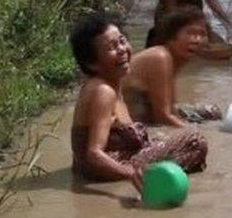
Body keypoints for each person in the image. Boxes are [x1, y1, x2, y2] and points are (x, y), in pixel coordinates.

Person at [69, 13, 207, 192]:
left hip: (105, 166)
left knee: (162, 138)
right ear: (93, 64)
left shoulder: (112, 82)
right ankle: (163, 181)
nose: (122, 49)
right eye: (111, 47)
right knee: (195, 140)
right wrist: (130, 174)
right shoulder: (103, 91)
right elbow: (94, 154)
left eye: (121, 40)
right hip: (105, 171)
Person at [123, 6, 222, 127]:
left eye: (202, 34)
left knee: (213, 112)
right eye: (190, 33)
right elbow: (163, 117)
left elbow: (170, 110)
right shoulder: (160, 57)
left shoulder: (174, 61)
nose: (197, 40)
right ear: (171, 37)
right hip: (125, 130)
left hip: (145, 122)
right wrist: (198, 134)